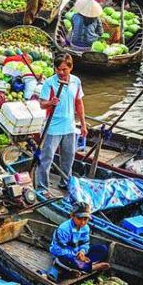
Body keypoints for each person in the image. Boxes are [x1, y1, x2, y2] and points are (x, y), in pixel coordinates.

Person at [37, 53, 87, 192]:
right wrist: (50, 102)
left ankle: (65, 183)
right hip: (52, 127)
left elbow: (79, 103)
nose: (60, 72)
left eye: (64, 69)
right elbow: (42, 104)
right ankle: (42, 187)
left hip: (69, 127)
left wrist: (83, 124)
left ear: (70, 68)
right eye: (58, 69)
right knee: (46, 158)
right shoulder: (50, 83)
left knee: (68, 157)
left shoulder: (76, 81)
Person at [50, 202, 110, 279]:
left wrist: (82, 252)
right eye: (79, 218)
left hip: (78, 255)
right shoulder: (64, 229)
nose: (83, 222)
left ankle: (81, 267)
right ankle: (91, 267)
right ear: (72, 215)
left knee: (102, 249)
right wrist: (76, 256)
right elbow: (56, 250)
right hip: (63, 255)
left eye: (86, 219)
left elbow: (85, 244)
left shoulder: (86, 228)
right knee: (67, 259)